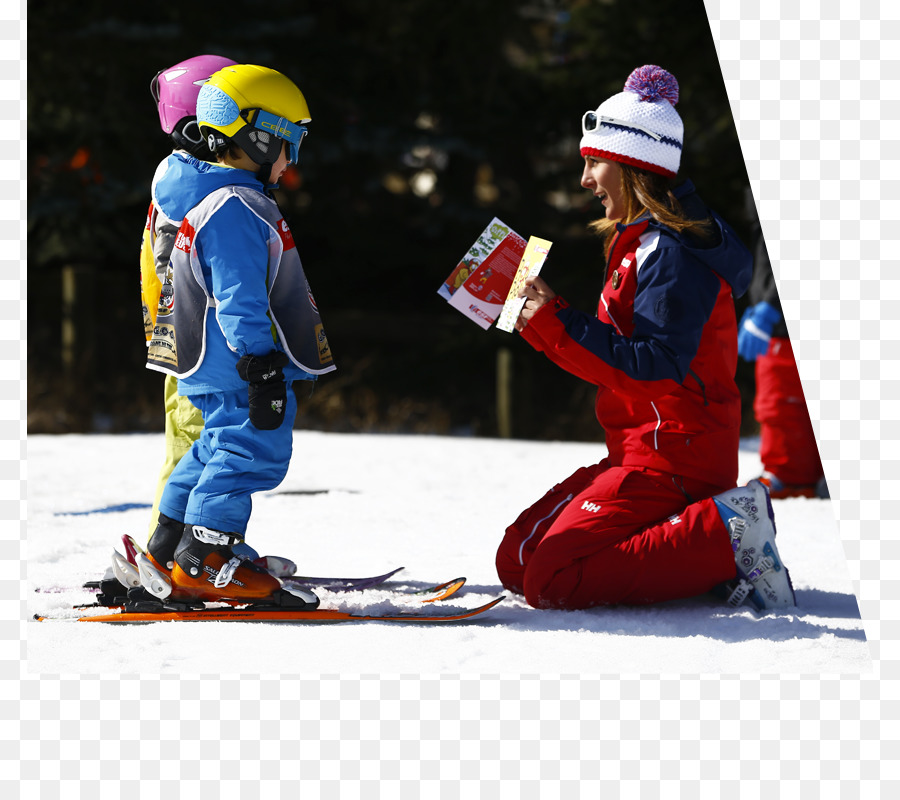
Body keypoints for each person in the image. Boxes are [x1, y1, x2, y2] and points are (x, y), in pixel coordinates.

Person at [495, 65, 795, 613]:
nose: (585, 178)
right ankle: (695, 549)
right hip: (637, 451)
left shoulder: (673, 253)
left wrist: (553, 320)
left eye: (595, 161)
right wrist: (539, 319)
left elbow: (654, 366)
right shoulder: (636, 243)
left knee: (552, 579)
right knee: (517, 560)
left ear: (634, 167)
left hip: (675, 459)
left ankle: (729, 529)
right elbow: (618, 355)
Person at [135, 64, 336, 608]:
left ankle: (168, 544)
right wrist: (262, 365)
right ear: (257, 136)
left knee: (210, 449)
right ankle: (207, 556)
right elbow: (238, 294)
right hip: (236, 361)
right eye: (288, 144)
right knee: (252, 450)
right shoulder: (236, 206)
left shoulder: (211, 194)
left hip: (211, 361)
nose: (290, 161)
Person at [141, 54, 237, 541]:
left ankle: (192, 538)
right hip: (195, 346)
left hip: (192, 343)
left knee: (207, 440)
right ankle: (177, 542)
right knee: (193, 442)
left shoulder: (188, 182)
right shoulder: (190, 191)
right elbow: (181, 269)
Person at [738, 198, 828, 499]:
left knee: (781, 402)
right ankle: (790, 473)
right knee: (777, 402)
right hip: (775, 318)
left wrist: (772, 303)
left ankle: (791, 475)